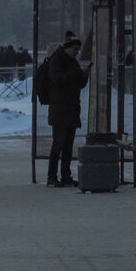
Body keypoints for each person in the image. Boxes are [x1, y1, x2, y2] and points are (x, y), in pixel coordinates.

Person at [46, 33, 90, 188]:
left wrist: (84, 75)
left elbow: (79, 84)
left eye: (79, 50)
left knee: (68, 145)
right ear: (68, 48)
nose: (77, 52)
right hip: (59, 108)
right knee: (58, 143)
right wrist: (77, 73)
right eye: (75, 49)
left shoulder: (72, 62)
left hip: (70, 108)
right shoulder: (56, 60)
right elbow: (57, 79)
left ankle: (65, 176)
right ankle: (52, 177)